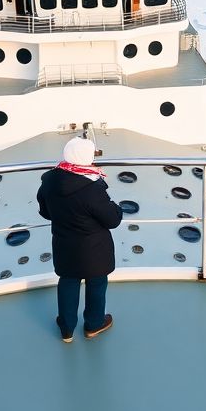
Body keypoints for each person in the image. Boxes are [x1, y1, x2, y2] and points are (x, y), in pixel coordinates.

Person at [37, 137, 123, 342]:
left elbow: (45, 211)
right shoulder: (92, 187)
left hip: (64, 245)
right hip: (94, 250)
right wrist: (116, 207)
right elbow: (113, 219)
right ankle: (94, 325)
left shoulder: (50, 180)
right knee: (97, 283)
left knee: (68, 282)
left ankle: (67, 329)